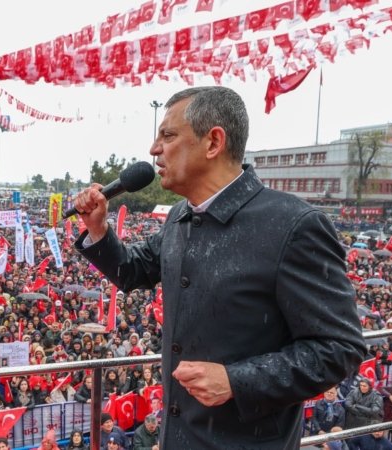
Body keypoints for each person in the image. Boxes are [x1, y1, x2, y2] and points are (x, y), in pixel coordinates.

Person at [72, 86, 365, 449]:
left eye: (168, 135)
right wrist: (99, 229)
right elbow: (134, 271)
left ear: (213, 142)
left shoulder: (292, 225)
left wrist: (237, 380)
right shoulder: (180, 216)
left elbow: (340, 347)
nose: (154, 149)